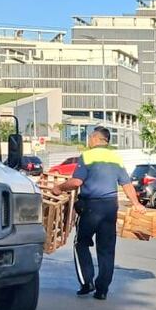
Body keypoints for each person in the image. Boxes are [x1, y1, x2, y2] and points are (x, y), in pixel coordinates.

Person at [52, 126, 145, 300]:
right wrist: (136, 204)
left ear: (95, 138)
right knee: (107, 250)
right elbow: (126, 184)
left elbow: (76, 181)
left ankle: (87, 282)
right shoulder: (115, 158)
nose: (88, 141)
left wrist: (59, 187)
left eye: (89, 138)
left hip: (90, 207)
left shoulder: (87, 156)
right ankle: (102, 290)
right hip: (110, 208)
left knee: (81, 243)